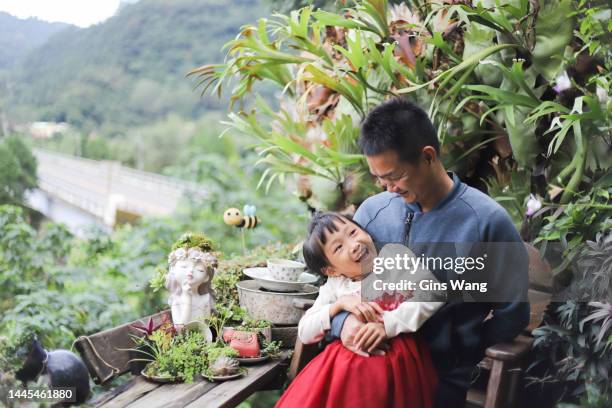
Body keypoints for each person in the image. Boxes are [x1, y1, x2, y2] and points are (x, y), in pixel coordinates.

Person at [328, 98, 530, 408]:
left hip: (436, 381)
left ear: (427, 157)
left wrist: (459, 351)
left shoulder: (486, 222)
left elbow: (513, 314)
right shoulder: (371, 213)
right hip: (365, 368)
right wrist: (346, 325)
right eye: (379, 178)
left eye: (394, 177)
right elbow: (336, 288)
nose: (387, 189)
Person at [276, 212, 442, 408]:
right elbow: (305, 331)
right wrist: (336, 307)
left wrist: (386, 325)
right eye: (339, 247)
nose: (354, 244)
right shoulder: (336, 285)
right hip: (345, 365)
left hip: (396, 358)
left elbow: (432, 291)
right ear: (331, 270)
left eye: (353, 232)